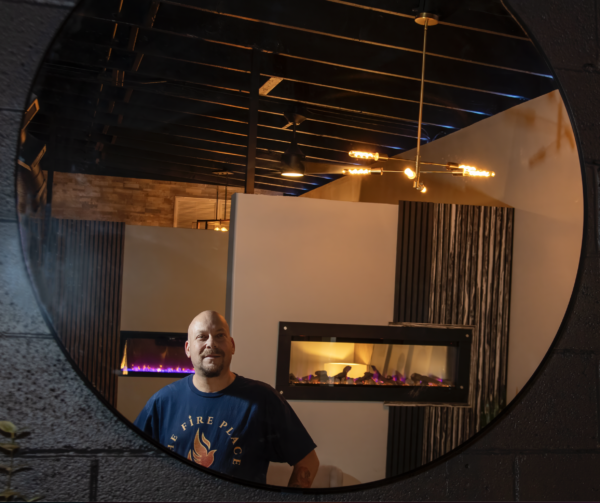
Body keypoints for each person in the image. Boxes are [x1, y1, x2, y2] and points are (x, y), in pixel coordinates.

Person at [134, 310, 319, 487]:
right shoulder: (163, 402)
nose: (211, 343)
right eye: (202, 337)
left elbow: (308, 461)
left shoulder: (263, 399)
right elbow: (131, 461)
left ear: (232, 345)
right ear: (188, 348)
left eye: (219, 335)